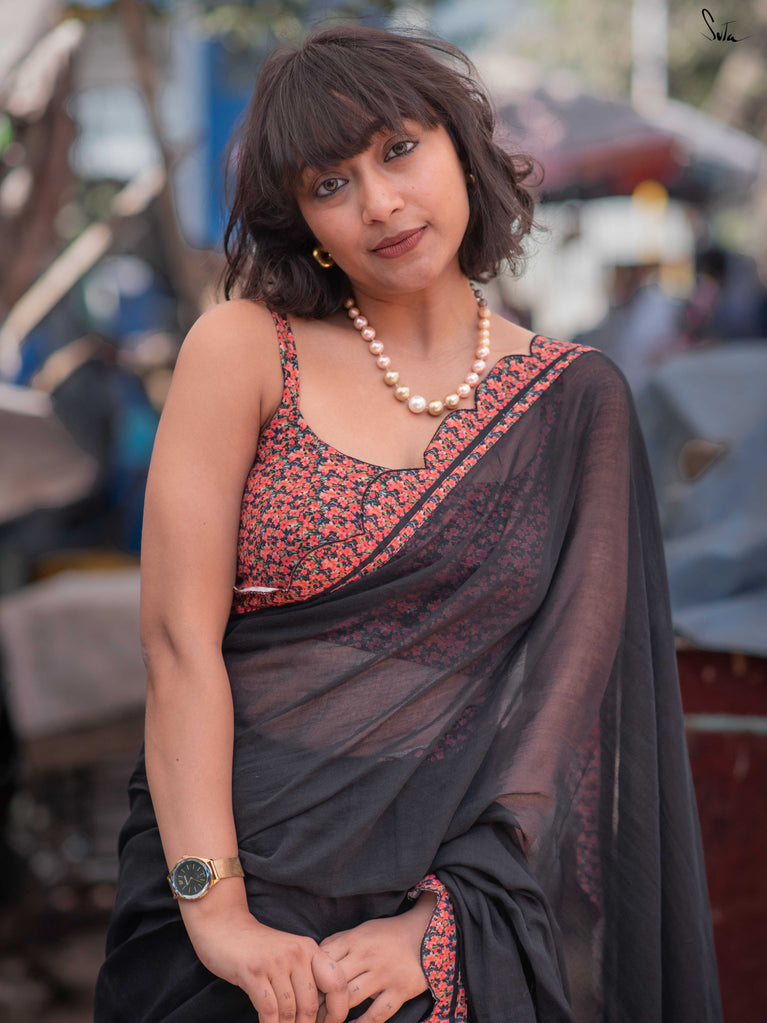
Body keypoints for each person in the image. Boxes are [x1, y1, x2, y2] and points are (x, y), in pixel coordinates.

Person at [95, 24, 722, 1023]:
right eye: (329, 183)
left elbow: (564, 708)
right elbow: (178, 648)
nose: (380, 204)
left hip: (446, 907)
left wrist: (441, 928)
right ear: (302, 219)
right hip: (229, 880)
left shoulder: (573, 400)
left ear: (460, 149)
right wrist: (217, 915)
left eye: (397, 150)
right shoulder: (244, 350)